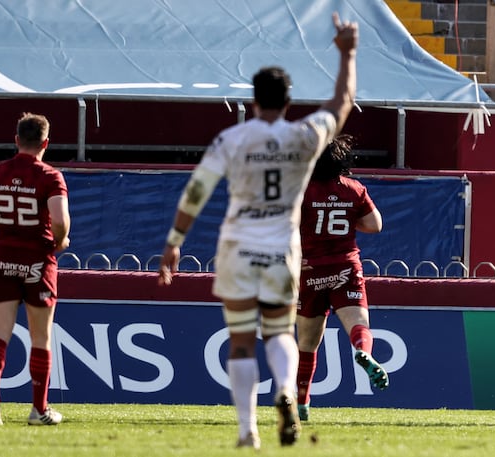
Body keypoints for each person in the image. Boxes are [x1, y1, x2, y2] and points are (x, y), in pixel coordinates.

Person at [157, 12, 358, 450]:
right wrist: (347, 54)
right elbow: (342, 103)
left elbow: (196, 192)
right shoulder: (305, 136)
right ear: (288, 102)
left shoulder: (232, 139)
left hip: (237, 245)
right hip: (283, 248)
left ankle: (248, 431)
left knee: (242, 342)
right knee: (281, 332)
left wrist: (174, 243)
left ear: (254, 100)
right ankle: (285, 390)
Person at [0, 112, 71, 425]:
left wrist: (10, 221)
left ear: (16, 140)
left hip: (3, 258)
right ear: (46, 143)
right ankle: (38, 410)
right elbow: (60, 222)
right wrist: (60, 241)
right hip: (39, 261)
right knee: (40, 337)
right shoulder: (50, 176)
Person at [295, 135, 387, 422]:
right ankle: (362, 351)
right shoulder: (354, 189)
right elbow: (375, 224)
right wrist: (349, 220)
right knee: (358, 324)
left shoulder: (301, 190)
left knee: (308, 343)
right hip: (345, 266)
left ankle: (302, 403)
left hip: (310, 271)